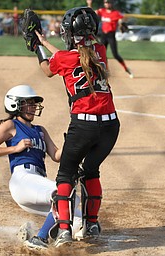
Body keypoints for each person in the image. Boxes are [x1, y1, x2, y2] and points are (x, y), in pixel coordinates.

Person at [33, 6, 120, 247]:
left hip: (84, 126)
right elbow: (72, 55)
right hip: (111, 127)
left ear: (70, 34)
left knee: (65, 174)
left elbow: (48, 69)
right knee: (90, 170)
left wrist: (34, 47)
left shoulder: (64, 58)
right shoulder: (100, 51)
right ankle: (91, 224)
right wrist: (44, 41)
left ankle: (63, 231)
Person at [0, 85, 82, 250]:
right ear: (15, 105)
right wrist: (14, 148)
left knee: (78, 221)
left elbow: (56, 155)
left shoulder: (40, 130)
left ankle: (30, 232)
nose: (33, 107)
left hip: (37, 183)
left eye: (34, 104)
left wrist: (72, 142)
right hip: (23, 180)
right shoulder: (10, 125)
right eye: (28, 103)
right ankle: (39, 239)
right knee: (66, 195)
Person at [87, 0, 134, 78]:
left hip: (111, 35)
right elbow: (91, 13)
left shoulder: (116, 13)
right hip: (103, 35)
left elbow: (122, 19)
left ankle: (126, 69)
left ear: (112, 3)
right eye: (106, 2)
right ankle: (106, 71)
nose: (107, 4)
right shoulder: (102, 11)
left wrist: (121, 23)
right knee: (101, 54)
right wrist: (89, 4)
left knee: (115, 55)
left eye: (109, 2)